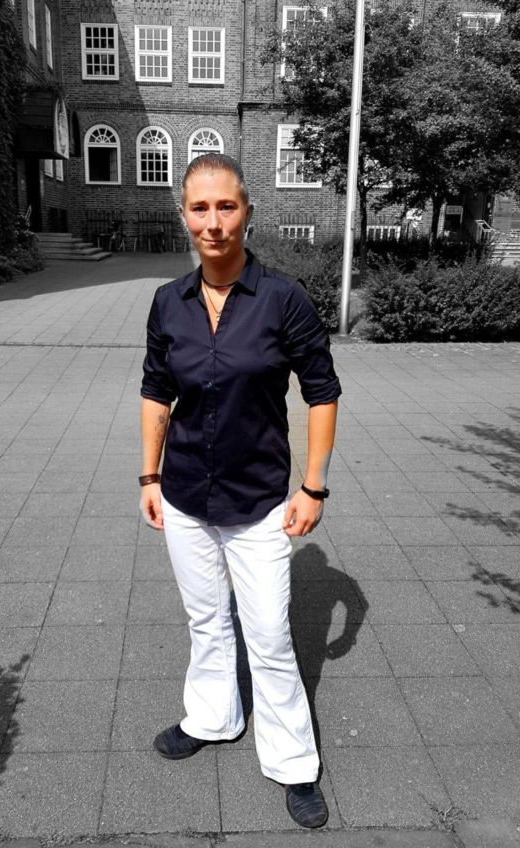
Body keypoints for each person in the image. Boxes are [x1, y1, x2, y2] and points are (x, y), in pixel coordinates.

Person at [139, 153, 341, 829]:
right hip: (184, 495)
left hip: (258, 503)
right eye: (200, 208)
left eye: (226, 206)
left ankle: (293, 763)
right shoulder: (168, 302)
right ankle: (212, 717)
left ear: (247, 213)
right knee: (205, 621)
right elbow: (156, 390)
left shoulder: (282, 299)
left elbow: (322, 392)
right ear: (183, 216)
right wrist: (148, 475)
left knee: (269, 637)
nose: (213, 222)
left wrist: (313, 486)